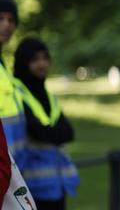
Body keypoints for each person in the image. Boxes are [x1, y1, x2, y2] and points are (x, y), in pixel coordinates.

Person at [13, 38, 78, 210]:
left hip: (56, 184)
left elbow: (68, 133)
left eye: (44, 58)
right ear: (23, 63)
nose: (42, 64)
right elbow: (37, 132)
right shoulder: (15, 92)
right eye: (35, 60)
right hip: (29, 187)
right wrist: (52, 132)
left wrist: (47, 132)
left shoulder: (47, 95)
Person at [0, 0, 27, 160]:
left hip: (12, 163)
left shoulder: (4, 66)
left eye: (11, 20)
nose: (6, 25)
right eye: (0, 18)